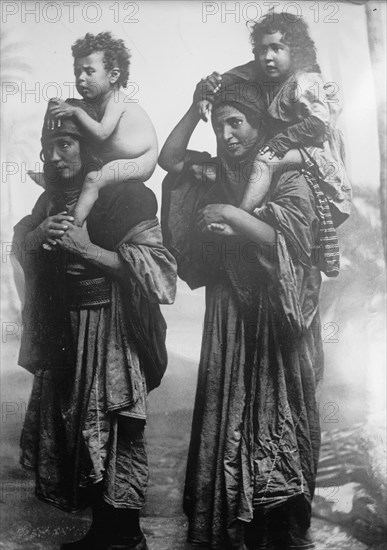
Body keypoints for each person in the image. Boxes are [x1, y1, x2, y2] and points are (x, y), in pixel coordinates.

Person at [159, 80, 324, 549]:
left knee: (278, 411)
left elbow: (290, 240)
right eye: (219, 125)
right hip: (229, 309)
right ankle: (232, 519)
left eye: (237, 122)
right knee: (228, 410)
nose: (227, 133)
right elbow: (170, 160)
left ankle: (280, 522)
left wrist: (233, 217)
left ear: (258, 124)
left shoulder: (283, 169)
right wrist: (195, 108)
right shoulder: (217, 170)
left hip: (276, 316)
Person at [13, 99, 177, 550]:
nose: (54, 156)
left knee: (116, 425)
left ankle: (126, 535)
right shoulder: (49, 201)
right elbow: (21, 247)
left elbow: (159, 271)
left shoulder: (127, 196)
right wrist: (34, 237)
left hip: (112, 328)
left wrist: (88, 251)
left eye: (65, 144)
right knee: (78, 430)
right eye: (49, 147)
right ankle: (102, 531)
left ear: (89, 150)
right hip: (66, 332)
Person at [197, 11, 352, 276]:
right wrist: (205, 92)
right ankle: (248, 216)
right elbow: (228, 78)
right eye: (261, 50)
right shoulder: (263, 69)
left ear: (296, 50)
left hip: (316, 149)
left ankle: (240, 216)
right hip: (297, 145)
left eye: (277, 48)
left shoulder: (305, 79)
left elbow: (318, 125)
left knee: (265, 159)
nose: (267, 57)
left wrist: (282, 141)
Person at [48, 31, 158, 227]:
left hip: (140, 159)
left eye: (89, 72)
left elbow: (101, 133)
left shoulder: (116, 100)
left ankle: (73, 226)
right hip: (123, 157)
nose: (80, 78)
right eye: (77, 72)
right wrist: (58, 105)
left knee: (93, 179)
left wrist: (75, 112)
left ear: (113, 75)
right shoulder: (97, 101)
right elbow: (77, 119)